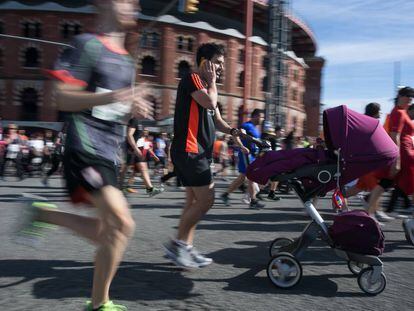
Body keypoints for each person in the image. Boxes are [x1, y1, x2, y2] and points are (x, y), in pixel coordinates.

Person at [17, 1, 153, 310]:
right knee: (122, 223)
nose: (135, 5)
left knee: (108, 231)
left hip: (111, 151)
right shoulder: (86, 45)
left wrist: (132, 109)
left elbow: (110, 109)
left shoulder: (128, 61)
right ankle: (98, 305)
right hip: (84, 146)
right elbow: (62, 97)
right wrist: (115, 96)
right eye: (127, 0)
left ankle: (44, 214)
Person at [164, 42, 248, 268]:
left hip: (198, 152)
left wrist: (232, 132)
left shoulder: (207, 86)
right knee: (207, 200)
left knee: (193, 202)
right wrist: (211, 82)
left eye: (222, 64)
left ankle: (185, 248)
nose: (221, 68)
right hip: (191, 150)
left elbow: (216, 119)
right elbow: (210, 102)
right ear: (204, 63)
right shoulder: (193, 79)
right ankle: (178, 247)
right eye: (218, 63)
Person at [367, 87, 414, 222]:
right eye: (408, 97)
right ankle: (369, 213)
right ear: (400, 96)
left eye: (411, 98)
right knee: (386, 182)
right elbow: (395, 136)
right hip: (403, 155)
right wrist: (397, 159)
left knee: (385, 183)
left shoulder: (402, 112)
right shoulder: (398, 113)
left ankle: (370, 213)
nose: (410, 100)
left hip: (407, 154)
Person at [221, 109, 266, 208]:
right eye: (261, 117)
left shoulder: (255, 129)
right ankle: (253, 201)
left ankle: (225, 195)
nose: (262, 119)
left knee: (242, 178)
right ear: (255, 116)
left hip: (252, 156)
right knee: (251, 177)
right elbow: (235, 135)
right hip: (246, 155)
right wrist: (241, 146)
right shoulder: (247, 126)